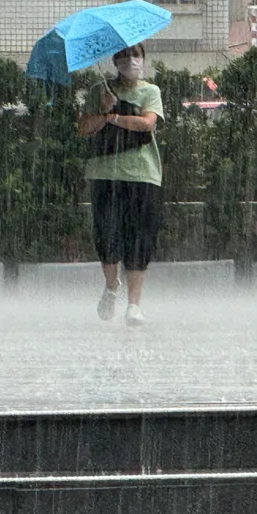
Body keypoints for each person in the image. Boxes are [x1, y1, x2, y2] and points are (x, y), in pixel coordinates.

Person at [76, 43, 164, 326]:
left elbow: (147, 124)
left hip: (142, 175)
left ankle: (134, 305)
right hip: (105, 174)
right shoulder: (98, 91)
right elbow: (83, 129)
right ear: (114, 61)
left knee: (139, 239)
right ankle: (112, 286)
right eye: (124, 56)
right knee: (107, 234)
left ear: (143, 59)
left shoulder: (150, 92)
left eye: (135, 55)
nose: (130, 61)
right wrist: (102, 111)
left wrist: (115, 116)